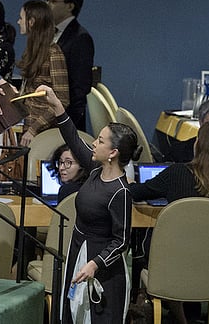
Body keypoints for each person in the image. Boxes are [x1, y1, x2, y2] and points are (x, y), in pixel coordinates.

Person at [37, 85, 136, 323]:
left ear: (112, 152)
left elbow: (121, 240)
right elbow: (72, 137)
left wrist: (95, 264)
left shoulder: (120, 191)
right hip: (78, 252)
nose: (93, 143)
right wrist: (57, 106)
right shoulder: (94, 171)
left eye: (100, 141)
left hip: (102, 269)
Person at [129, 122, 209, 324]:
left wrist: (128, 180)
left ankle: (174, 311)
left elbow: (137, 192)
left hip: (171, 268)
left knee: (148, 244)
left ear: (197, 145)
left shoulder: (177, 173)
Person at [16, 0, 69, 146]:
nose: (18, 21)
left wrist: (34, 129)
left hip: (41, 133)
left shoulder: (53, 53)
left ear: (31, 22)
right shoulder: (33, 51)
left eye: (21, 18)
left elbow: (62, 99)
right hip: (27, 125)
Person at [45, 0, 93, 128]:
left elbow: (79, 88)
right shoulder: (50, 33)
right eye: (46, 0)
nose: (46, 5)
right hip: (47, 116)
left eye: (52, 1)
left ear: (70, 6)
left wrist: (68, 127)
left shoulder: (80, 38)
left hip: (65, 123)